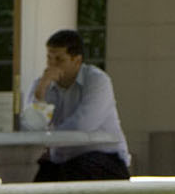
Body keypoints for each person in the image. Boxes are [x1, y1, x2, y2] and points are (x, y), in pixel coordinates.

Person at [26, 28, 131, 181]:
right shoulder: (41, 84)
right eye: (49, 58)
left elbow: (82, 125)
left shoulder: (97, 81)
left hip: (104, 159)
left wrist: (48, 138)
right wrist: (40, 91)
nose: (52, 65)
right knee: (28, 174)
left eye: (59, 59)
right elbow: (31, 126)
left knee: (69, 174)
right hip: (62, 161)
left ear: (77, 60)